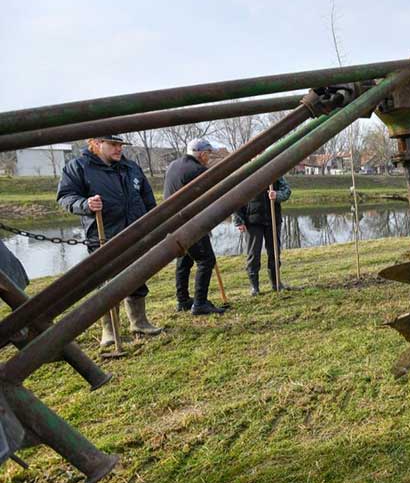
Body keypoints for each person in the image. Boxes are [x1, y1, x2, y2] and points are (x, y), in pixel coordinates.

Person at [57, 135, 163, 346]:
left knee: (137, 276)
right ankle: (110, 330)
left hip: (135, 232)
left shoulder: (131, 167)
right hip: (103, 235)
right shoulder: (78, 166)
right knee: (107, 283)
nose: (118, 149)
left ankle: (139, 322)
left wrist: (153, 223)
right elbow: (65, 197)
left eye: (120, 145)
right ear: (96, 143)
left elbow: (147, 198)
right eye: (113, 145)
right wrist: (85, 204)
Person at [163, 138, 225, 315]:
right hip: (192, 223)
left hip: (174, 223)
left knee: (185, 260)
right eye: (208, 154)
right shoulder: (198, 170)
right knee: (206, 260)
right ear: (202, 153)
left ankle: (182, 300)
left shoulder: (174, 165)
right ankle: (200, 304)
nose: (209, 157)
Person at [234, 176, 291, 295]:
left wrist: (277, 195)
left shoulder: (275, 172)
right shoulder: (247, 175)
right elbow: (236, 198)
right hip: (252, 221)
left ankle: (276, 283)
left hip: (273, 219)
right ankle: (254, 287)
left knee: (274, 253)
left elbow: (287, 191)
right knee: (253, 255)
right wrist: (238, 220)